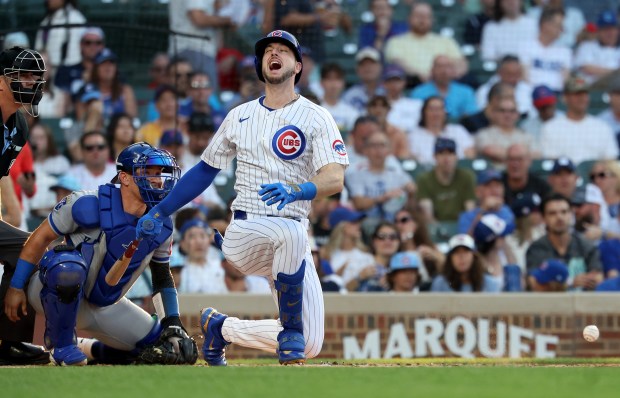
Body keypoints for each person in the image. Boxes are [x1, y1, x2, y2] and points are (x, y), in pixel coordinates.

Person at [135, 30, 349, 366]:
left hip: (291, 238)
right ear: (260, 64)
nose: (274, 54)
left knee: (310, 343)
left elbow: (335, 177)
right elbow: (205, 170)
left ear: (297, 66)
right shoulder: (239, 115)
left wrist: (298, 190)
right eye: (268, 51)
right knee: (291, 234)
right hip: (246, 232)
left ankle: (221, 328)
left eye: (283, 50)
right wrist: (161, 210)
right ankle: (289, 330)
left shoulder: (316, 116)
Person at [4, 143, 198, 366]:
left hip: (107, 304)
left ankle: (91, 350)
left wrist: (171, 321)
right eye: (148, 173)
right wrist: (16, 286)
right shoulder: (86, 202)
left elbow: (162, 276)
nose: (157, 180)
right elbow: (39, 238)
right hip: (55, 289)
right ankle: (63, 345)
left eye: (159, 174)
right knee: (67, 265)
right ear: (125, 178)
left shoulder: (161, 223)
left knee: (165, 351)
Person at [0, 46, 49, 365]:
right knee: (29, 246)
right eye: (22, 74)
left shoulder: (19, 125)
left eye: (35, 76)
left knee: (30, 248)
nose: (30, 82)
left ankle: (10, 342)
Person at [525, 193, 603, 291]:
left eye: (564, 212)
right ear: (544, 218)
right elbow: (534, 283)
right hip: (550, 304)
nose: (559, 217)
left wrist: (555, 284)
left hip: (585, 302)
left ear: (571, 214)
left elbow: (598, 278)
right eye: (552, 213)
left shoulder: (585, 245)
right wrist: (570, 283)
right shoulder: (537, 249)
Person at [541, 76, 618, 164]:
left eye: (585, 93)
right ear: (565, 98)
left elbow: (610, 160)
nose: (582, 98)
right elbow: (551, 161)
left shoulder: (602, 127)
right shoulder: (551, 128)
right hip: (565, 175)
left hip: (594, 176)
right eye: (577, 94)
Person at [416, 138, 477, 223]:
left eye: (450, 153)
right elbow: (427, 214)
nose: (446, 159)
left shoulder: (466, 177)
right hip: (436, 227)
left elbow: (470, 209)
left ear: (456, 156)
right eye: (441, 153)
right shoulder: (424, 179)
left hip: (461, 225)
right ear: (435, 156)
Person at [430, 234, 502, 292]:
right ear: (450, 258)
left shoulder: (490, 283)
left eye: (466, 251)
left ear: (474, 256)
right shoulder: (440, 283)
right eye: (456, 252)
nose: (461, 257)